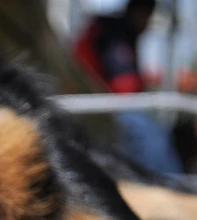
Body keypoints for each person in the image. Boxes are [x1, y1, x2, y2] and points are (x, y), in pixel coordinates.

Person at [74, 0, 184, 176]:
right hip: (94, 103)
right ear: (137, 13)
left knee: (154, 131)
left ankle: (167, 186)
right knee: (150, 135)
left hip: (100, 102)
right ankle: (168, 187)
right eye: (147, 17)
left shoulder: (119, 31)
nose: (147, 24)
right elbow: (123, 87)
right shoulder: (113, 32)